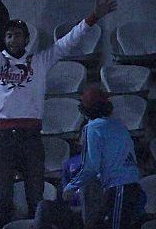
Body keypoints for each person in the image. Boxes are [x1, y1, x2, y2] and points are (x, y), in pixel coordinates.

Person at [0, 0, 118, 229]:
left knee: (36, 197)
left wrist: (93, 17)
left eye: (17, 34)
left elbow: (68, 42)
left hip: (31, 136)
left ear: (26, 39)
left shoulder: (40, 61)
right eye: (8, 35)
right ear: (3, 39)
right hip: (3, 138)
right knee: (2, 199)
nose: (12, 39)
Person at [63, 86, 145, 229]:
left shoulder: (93, 128)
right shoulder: (118, 125)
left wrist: (70, 187)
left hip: (119, 188)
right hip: (133, 187)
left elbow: (91, 166)